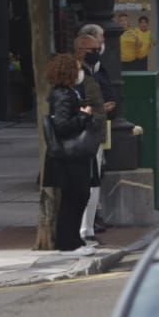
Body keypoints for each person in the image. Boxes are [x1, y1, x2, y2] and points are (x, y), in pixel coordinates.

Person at [43, 54, 94, 253]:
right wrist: (84, 116)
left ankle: (73, 240)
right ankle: (69, 242)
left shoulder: (68, 92)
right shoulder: (63, 95)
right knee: (75, 196)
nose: (80, 72)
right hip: (69, 155)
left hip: (72, 154)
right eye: (77, 68)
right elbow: (62, 125)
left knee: (78, 195)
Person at [73, 33, 109, 244]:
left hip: (95, 133)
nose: (97, 54)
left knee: (93, 184)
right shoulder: (77, 74)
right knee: (87, 184)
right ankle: (83, 230)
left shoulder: (93, 71)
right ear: (80, 50)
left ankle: (88, 229)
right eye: (92, 50)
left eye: (98, 49)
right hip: (85, 135)